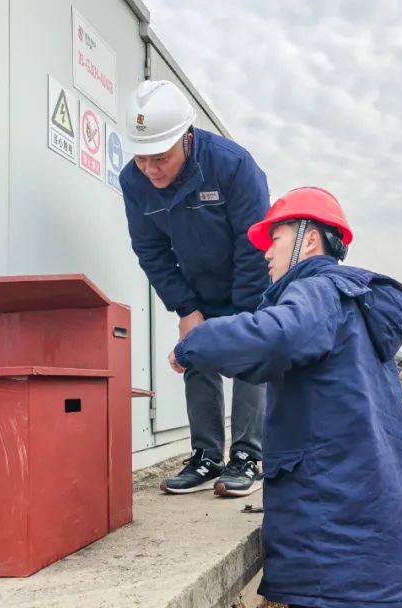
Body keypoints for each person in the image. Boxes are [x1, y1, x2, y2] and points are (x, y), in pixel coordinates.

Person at [169, 187, 402, 608]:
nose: (266, 253)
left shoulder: (317, 290)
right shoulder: (355, 309)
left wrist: (193, 343)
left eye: (275, 240)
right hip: (369, 546)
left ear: (309, 240)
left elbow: (274, 338)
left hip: (335, 556)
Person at [119, 80, 269, 497]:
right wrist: (186, 308)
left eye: (160, 158)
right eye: (141, 158)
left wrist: (245, 314)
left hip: (249, 281)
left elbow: (254, 244)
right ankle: (206, 457)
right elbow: (150, 251)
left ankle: (247, 457)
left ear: (186, 137)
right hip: (198, 288)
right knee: (198, 354)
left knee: (250, 358)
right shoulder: (133, 182)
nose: (150, 169)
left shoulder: (233, 166)